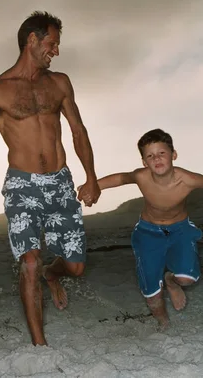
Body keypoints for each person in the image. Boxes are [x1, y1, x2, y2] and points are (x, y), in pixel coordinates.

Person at [0, 11, 100, 346]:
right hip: (23, 186)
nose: (57, 51)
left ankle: (55, 273)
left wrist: (91, 176)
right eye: (52, 43)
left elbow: (78, 131)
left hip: (61, 183)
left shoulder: (60, 83)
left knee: (76, 266)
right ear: (33, 40)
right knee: (30, 261)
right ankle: (40, 345)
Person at [83, 129, 202, 328]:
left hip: (180, 230)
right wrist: (93, 186)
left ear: (174, 155)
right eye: (150, 156)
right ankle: (163, 323)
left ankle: (171, 281)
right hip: (148, 233)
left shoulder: (188, 179)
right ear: (144, 162)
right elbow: (121, 178)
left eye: (162, 153)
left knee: (187, 278)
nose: (157, 158)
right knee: (151, 291)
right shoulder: (141, 176)